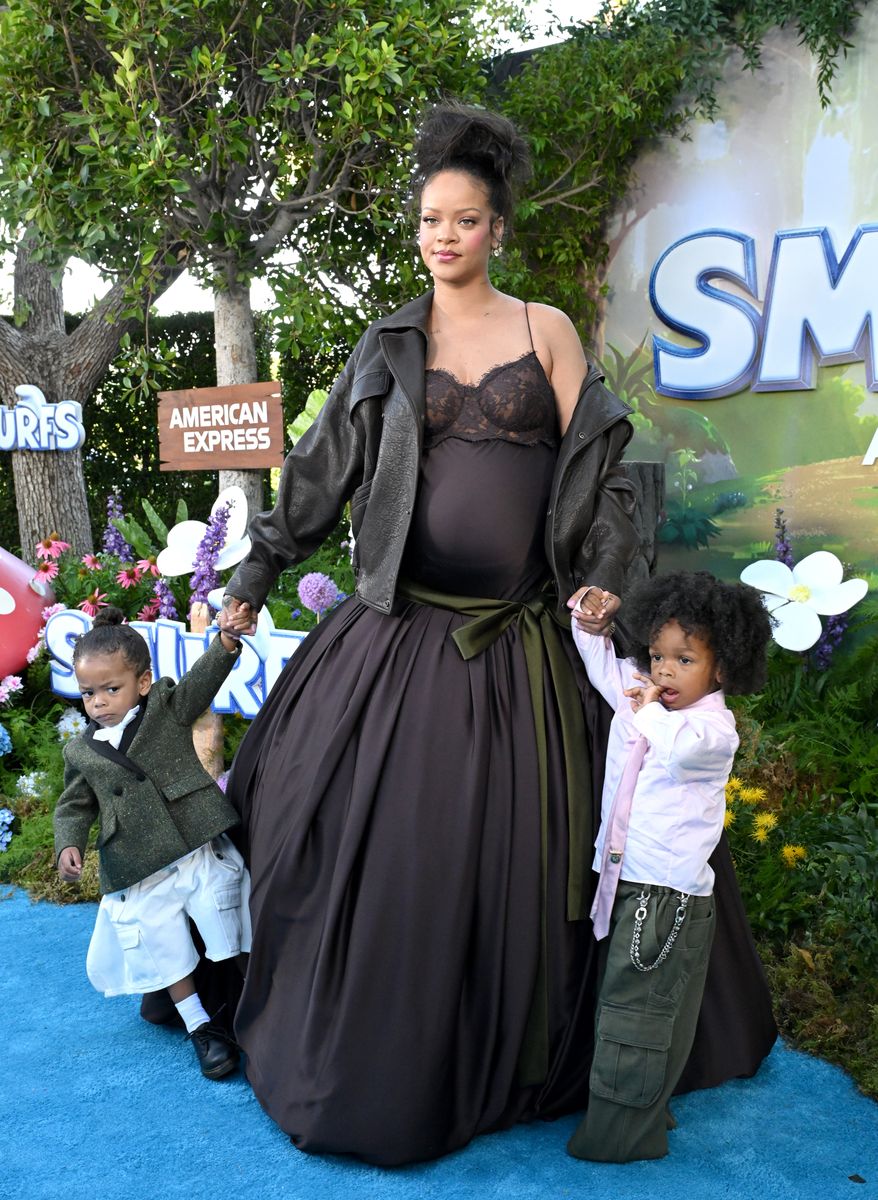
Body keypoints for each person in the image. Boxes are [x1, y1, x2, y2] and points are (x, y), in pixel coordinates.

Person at [221, 101, 775, 1165]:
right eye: (430, 219)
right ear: (416, 228)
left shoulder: (544, 331)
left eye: (465, 220)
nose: (445, 236)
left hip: (530, 639)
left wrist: (610, 588)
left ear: (494, 230)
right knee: (345, 828)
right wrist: (254, 572)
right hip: (402, 636)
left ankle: (541, 1058)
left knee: (562, 851)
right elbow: (321, 473)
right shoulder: (388, 343)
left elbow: (609, 474)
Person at [566, 572, 773, 1162]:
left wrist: (646, 705)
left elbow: (677, 748)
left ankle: (622, 1139)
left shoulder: (711, 730)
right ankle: (645, 1107)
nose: (662, 672)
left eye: (684, 660)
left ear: (722, 669)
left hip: (666, 896)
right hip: (629, 881)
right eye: (657, 656)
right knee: (643, 1008)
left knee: (638, 1019)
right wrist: (590, 624)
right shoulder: (649, 701)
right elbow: (606, 670)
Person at [54, 606, 250, 1080]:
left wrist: (224, 641)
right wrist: (68, 844)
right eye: (88, 693)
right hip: (138, 861)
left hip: (192, 841)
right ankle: (200, 1027)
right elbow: (73, 805)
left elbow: (200, 683)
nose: (98, 702)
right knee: (162, 942)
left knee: (226, 919)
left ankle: (255, 1008)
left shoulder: (165, 707)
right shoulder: (81, 750)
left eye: (110, 688)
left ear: (142, 682)